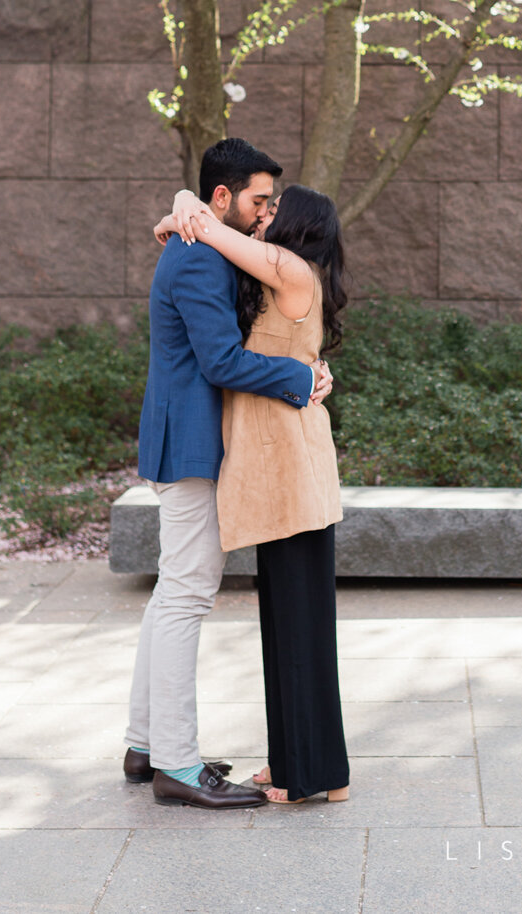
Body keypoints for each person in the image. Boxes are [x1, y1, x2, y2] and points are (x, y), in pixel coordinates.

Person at [124, 138, 333, 811]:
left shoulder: (204, 243)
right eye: (258, 199)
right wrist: (300, 376)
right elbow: (220, 363)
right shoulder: (198, 259)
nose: (266, 210)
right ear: (223, 198)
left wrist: (185, 207)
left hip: (185, 439)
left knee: (172, 592)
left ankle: (146, 743)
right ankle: (177, 768)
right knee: (187, 592)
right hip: (190, 445)